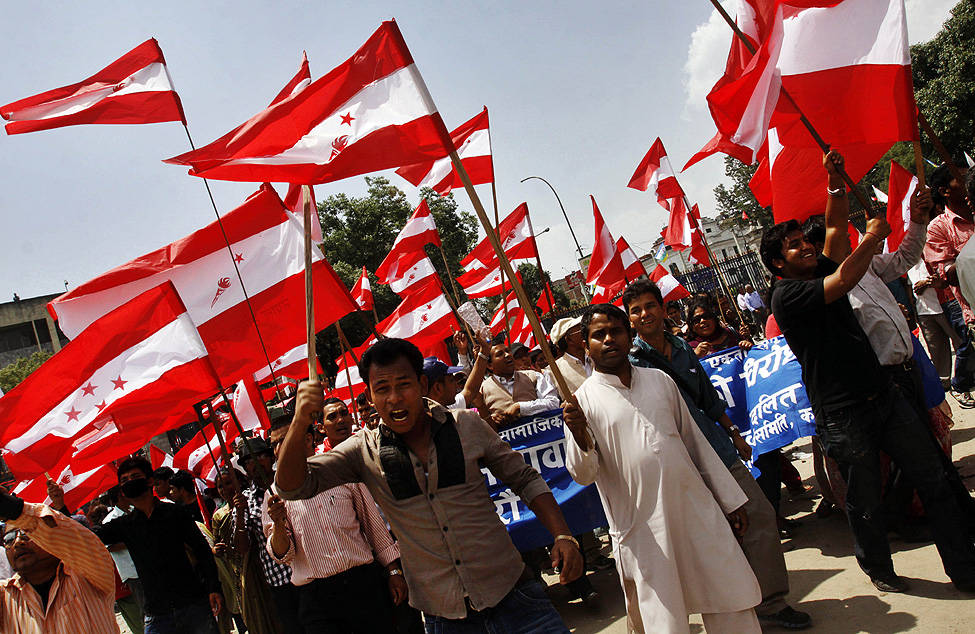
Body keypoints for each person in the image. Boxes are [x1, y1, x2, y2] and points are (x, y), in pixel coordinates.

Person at [759, 149, 975, 593]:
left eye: (805, 239)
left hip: (885, 395)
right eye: (795, 245)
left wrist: (834, 183)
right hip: (843, 413)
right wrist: (874, 237)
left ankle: (965, 566)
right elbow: (842, 281)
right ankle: (877, 566)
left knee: (932, 478)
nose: (806, 247)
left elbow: (836, 229)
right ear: (778, 263)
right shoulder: (788, 296)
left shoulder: (820, 263)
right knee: (866, 500)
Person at [274, 338, 584, 634]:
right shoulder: (360, 451)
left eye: (403, 385)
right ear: (369, 397)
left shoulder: (467, 425)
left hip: (515, 599)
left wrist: (562, 535)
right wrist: (300, 421)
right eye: (382, 389)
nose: (394, 398)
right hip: (445, 619)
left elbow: (525, 478)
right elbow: (291, 487)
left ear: (422, 385)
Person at [562, 304, 762, 634]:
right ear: (586, 345)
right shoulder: (580, 403)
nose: (609, 339)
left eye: (617, 331)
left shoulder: (660, 381)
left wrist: (728, 500)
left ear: (629, 336)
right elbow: (583, 474)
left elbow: (694, 444)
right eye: (599, 334)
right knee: (663, 623)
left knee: (730, 599)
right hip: (644, 531)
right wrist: (578, 434)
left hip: (696, 512)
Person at [622, 281, 811, 629]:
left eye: (650, 306)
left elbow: (707, 397)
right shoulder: (630, 363)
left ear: (663, 309)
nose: (644, 314)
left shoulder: (681, 346)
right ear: (629, 319)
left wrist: (734, 433)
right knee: (709, 539)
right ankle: (733, 609)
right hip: (677, 463)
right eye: (636, 310)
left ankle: (771, 602)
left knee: (758, 516)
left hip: (718, 450)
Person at [264, 417, 405, 633]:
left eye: (285, 440)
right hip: (318, 600)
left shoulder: (341, 470)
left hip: (364, 586)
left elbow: (372, 523)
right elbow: (284, 554)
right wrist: (278, 523)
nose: (278, 448)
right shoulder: (274, 495)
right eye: (274, 444)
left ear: (308, 439)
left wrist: (393, 571)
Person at [95, 456, 224, 633]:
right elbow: (89, 536)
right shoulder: (125, 525)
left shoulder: (175, 513)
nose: (130, 482)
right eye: (124, 480)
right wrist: (60, 509)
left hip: (193, 604)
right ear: (122, 491)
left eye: (135, 477)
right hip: (157, 615)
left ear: (149, 481)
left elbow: (202, 551)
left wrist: (213, 587)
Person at [0, 487, 119, 633]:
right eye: (9, 538)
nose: (18, 542)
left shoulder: (88, 576)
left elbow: (82, 542)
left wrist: (12, 508)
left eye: (27, 533)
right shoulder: (5, 599)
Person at [236, 435, 304, 634]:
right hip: (280, 582)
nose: (256, 463)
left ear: (272, 457)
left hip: (308, 571)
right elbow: (242, 547)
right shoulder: (245, 501)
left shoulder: (291, 482)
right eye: (249, 460)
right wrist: (239, 513)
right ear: (245, 468)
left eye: (261, 456)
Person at [924, 159, 974, 407]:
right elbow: (947, 277)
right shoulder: (938, 228)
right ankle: (961, 383)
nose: (970, 179)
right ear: (945, 191)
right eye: (962, 177)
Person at [212, 468, 283, 634]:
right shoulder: (219, 516)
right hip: (242, 571)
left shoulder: (256, 500)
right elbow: (234, 546)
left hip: (266, 567)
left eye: (229, 483)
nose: (225, 489)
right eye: (220, 486)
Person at [480, 342, 560, 429]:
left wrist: (521, 407)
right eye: (500, 354)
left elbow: (553, 403)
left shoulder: (533, 376)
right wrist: (490, 419)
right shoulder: (482, 389)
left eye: (507, 351)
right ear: (490, 365)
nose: (507, 355)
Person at [684, 297, 752, 357]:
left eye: (707, 316)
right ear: (692, 326)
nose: (703, 321)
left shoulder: (731, 333)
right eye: (697, 319)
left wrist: (747, 344)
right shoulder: (691, 348)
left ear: (714, 319)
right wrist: (695, 356)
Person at [547, 317, 591, 396]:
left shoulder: (597, 356)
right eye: (580, 331)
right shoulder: (553, 371)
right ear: (570, 340)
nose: (585, 333)